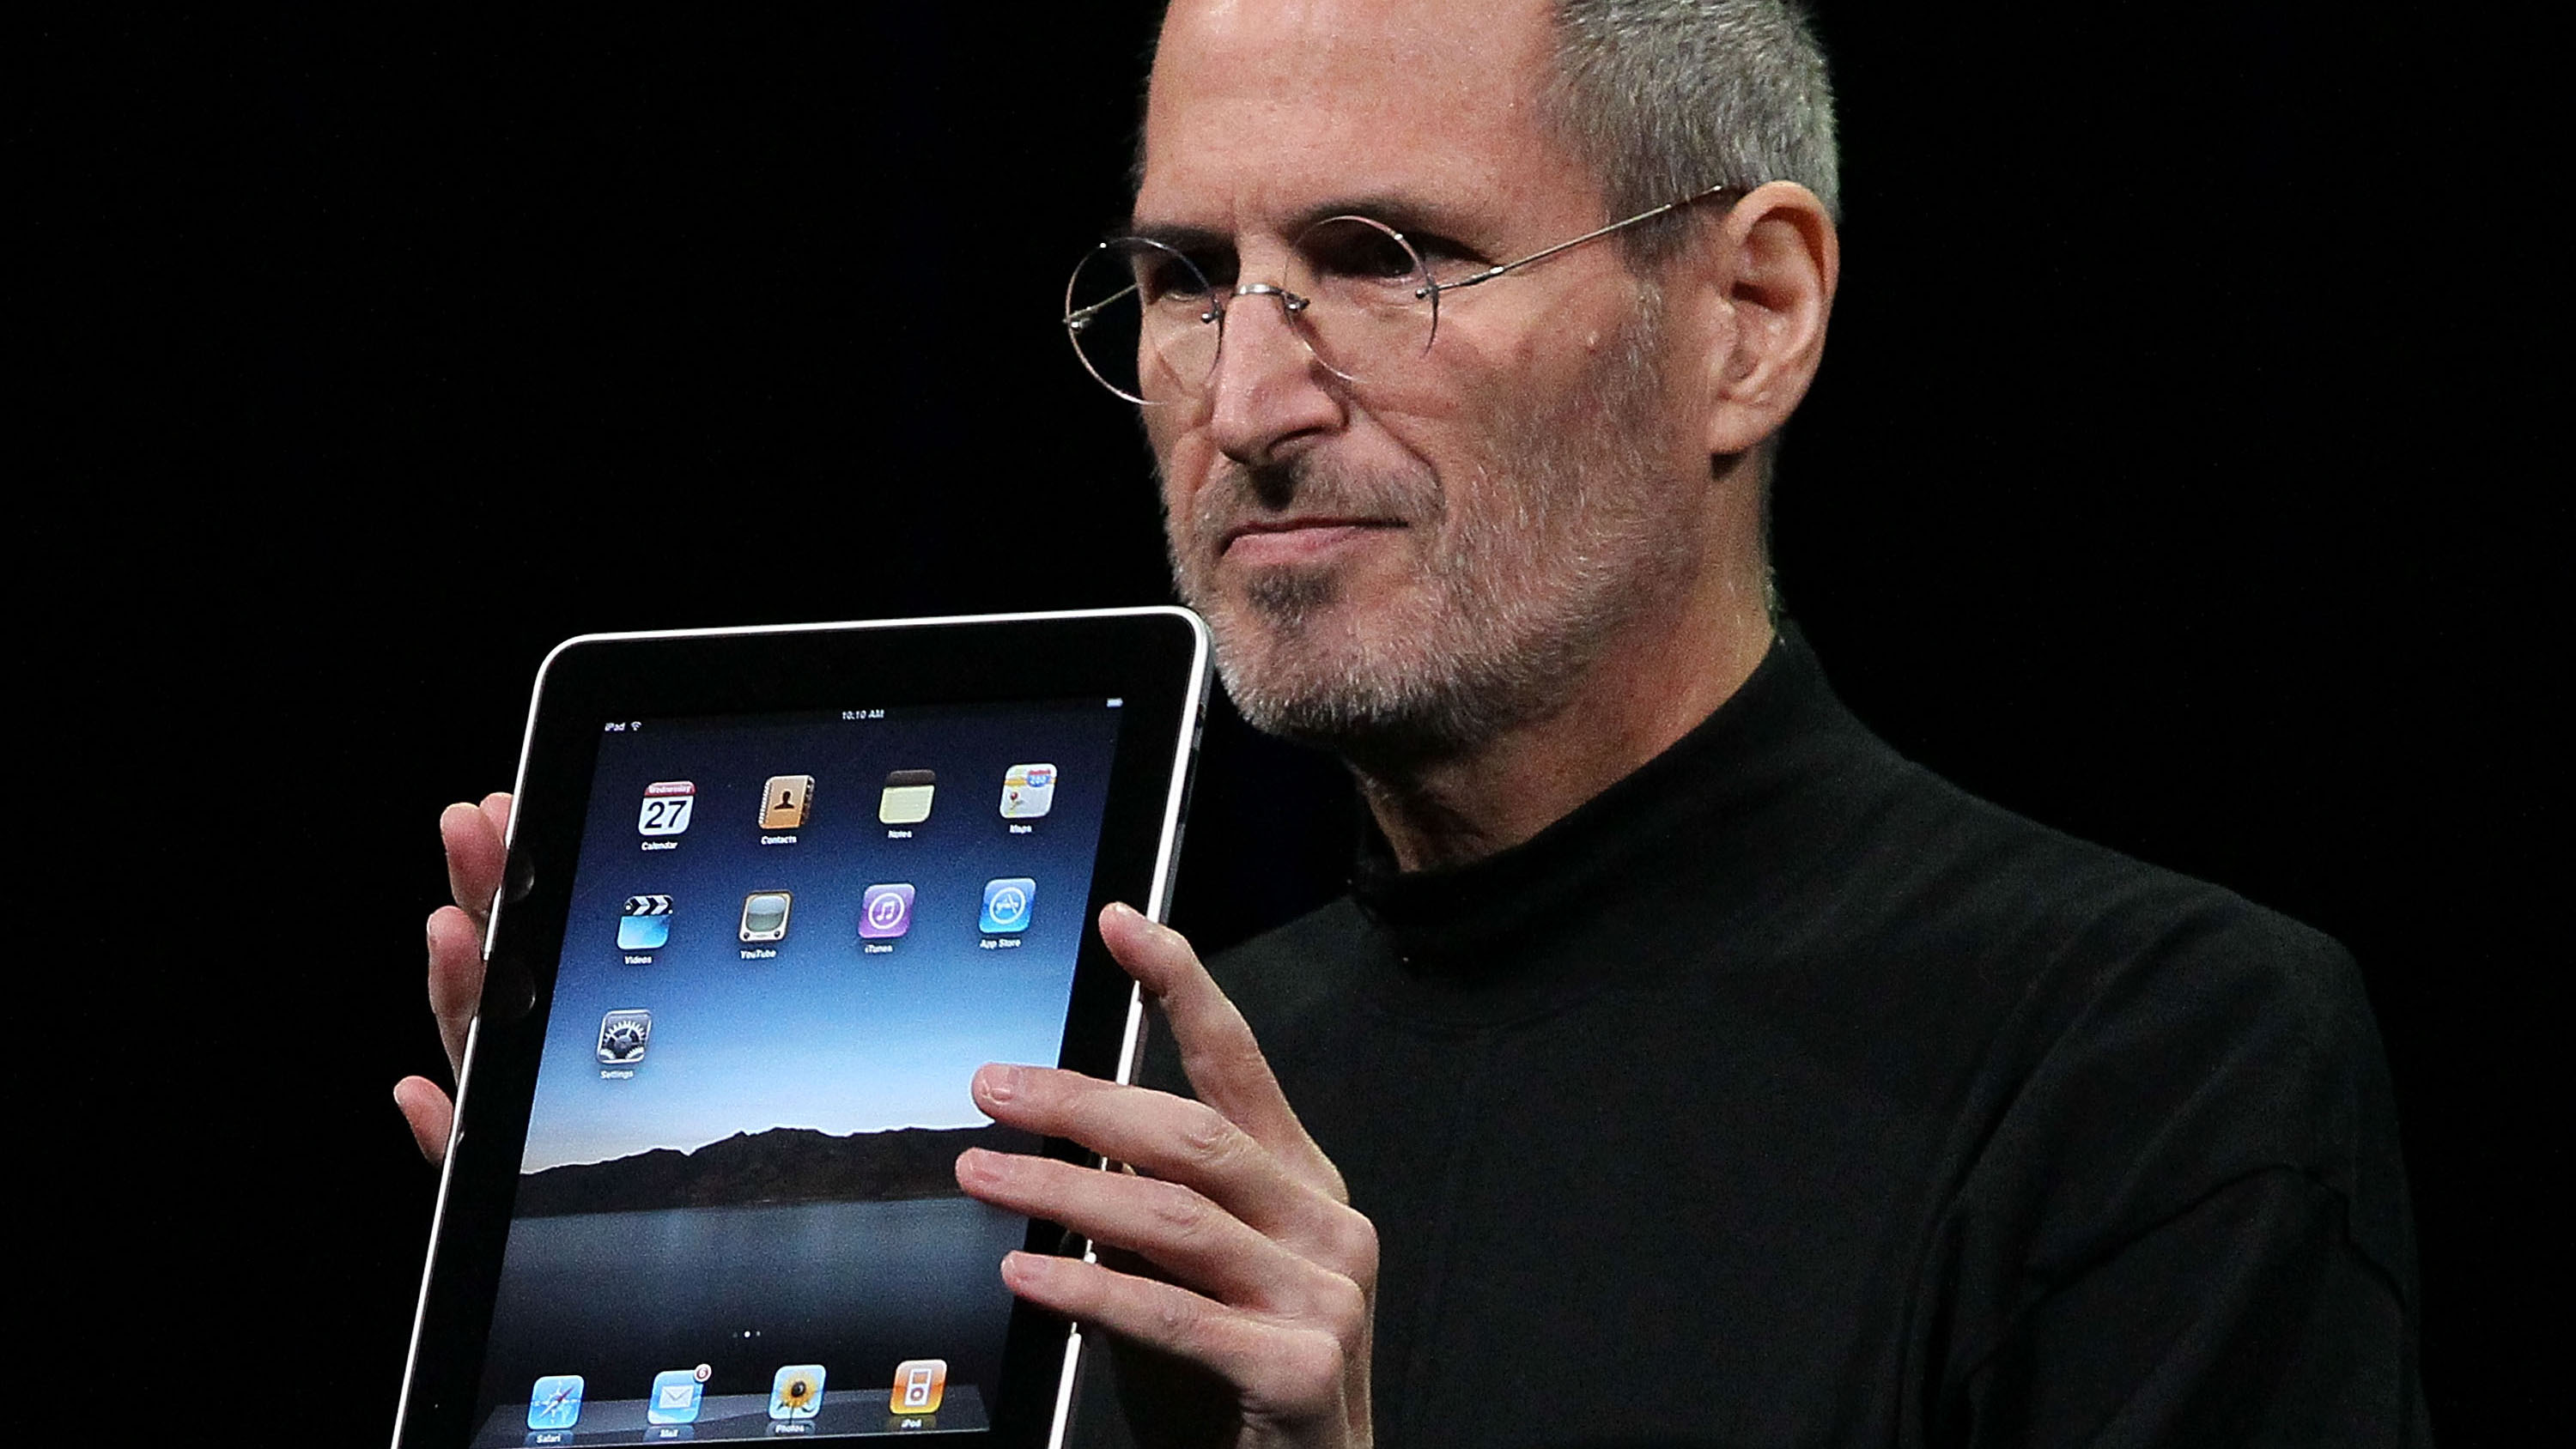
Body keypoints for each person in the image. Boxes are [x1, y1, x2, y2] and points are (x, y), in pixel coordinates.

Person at [401, 1, 2428, 1443]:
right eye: (1190, 278)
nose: (1252, 405)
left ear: (1753, 319)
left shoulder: (2152, 1061)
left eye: (1388, 261)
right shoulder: (1118, 1104)